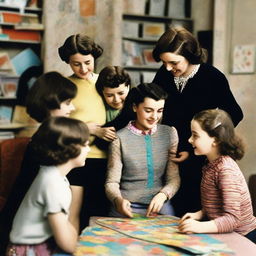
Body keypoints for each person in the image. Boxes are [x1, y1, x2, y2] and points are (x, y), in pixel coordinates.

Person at [152, 26, 243, 216]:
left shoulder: (212, 77)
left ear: (189, 55)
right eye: (164, 62)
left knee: (196, 213)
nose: (168, 68)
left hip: (200, 159)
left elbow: (234, 113)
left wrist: (207, 143)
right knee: (170, 215)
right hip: (171, 155)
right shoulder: (164, 74)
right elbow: (149, 101)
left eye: (173, 62)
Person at [0, 72, 77, 254]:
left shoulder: (45, 135)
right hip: (23, 223)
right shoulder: (49, 142)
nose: (72, 108)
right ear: (50, 103)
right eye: (67, 103)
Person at [6, 117, 90, 255]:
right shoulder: (52, 184)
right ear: (71, 148)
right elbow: (66, 243)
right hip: (28, 250)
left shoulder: (52, 174)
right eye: (85, 144)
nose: (88, 149)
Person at [58, 34, 116, 230]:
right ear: (68, 62)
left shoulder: (105, 83)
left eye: (87, 62)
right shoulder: (64, 86)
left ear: (95, 58)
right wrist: (88, 129)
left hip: (105, 157)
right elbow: (57, 125)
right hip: (74, 158)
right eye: (76, 64)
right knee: (72, 212)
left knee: (99, 210)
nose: (83, 69)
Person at [178, 109, 256, 244]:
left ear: (216, 140)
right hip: (226, 233)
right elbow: (216, 204)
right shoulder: (210, 164)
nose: (190, 140)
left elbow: (232, 220)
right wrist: (200, 214)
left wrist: (200, 226)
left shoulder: (226, 169)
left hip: (243, 237)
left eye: (195, 135)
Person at [105, 83, 180, 217]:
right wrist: (118, 200)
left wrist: (163, 195)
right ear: (135, 107)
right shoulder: (119, 139)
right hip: (126, 205)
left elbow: (173, 178)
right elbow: (111, 182)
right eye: (148, 110)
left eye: (160, 110)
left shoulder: (170, 133)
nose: (155, 117)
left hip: (160, 204)